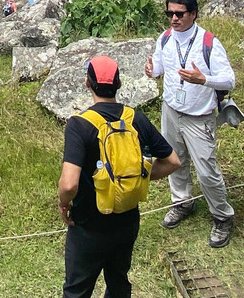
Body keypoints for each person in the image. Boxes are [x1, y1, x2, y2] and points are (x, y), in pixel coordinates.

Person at [59, 56, 180, 298]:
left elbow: (69, 183)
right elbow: (172, 162)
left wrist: (63, 203)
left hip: (88, 226)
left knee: (77, 291)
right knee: (118, 283)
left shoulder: (79, 125)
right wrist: (140, 177)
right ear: (119, 84)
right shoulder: (136, 118)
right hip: (127, 222)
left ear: (87, 83)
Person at [144, 0, 237, 248]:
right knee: (174, 161)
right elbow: (160, 69)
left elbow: (230, 80)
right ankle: (182, 202)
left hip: (199, 116)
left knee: (207, 170)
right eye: (169, 13)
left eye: (179, 14)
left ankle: (222, 216)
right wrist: (152, 71)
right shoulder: (164, 38)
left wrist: (204, 80)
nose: (174, 18)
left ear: (193, 14)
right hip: (171, 110)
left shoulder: (208, 42)